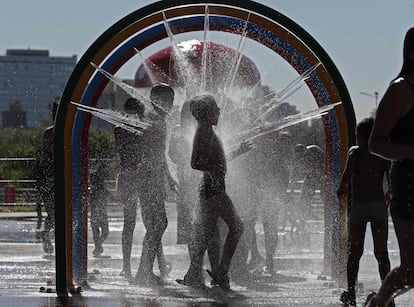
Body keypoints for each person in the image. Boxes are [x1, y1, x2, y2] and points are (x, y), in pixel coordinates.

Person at [179, 94, 250, 291]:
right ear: (205, 113)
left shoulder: (207, 131)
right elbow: (195, 162)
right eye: (215, 109)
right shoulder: (203, 131)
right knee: (237, 227)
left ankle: (193, 274)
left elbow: (217, 159)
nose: (219, 111)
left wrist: (238, 151)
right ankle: (221, 271)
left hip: (211, 188)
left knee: (207, 233)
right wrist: (212, 170)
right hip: (213, 189)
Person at [366, 27, 414, 307]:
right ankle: (380, 302)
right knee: (411, 271)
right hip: (408, 187)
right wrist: (410, 151)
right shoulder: (401, 90)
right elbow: (375, 144)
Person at [115, 97, 172, 282]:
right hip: (140, 176)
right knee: (153, 224)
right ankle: (156, 264)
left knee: (132, 223)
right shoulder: (143, 130)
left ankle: (127, 267)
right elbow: (149, 152)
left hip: (126, 176)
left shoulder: (119, 129)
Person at [336, 118, 391, 306]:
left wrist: (341, 189)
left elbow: (346, 176)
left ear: (360, 136)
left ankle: (351, 293)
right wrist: (389, 194)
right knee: (382, 253)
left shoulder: (355, 152)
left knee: (355, 253)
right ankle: (388, 296)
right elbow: (390, 177)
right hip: (378, 206)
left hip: (359, 207)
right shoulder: (382, 154)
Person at [134, 83, 177, 286]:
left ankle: (145, 270)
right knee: (158, 224)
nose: (171, 104)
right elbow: (150, 153)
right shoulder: (154, 120)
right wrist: (160, 176)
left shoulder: (158, 120)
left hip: (152, 176)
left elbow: (158, 154)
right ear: (157, 99)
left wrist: (168, 177)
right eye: (169, 99)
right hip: (149, 176)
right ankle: (143, 271)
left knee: (156, 224)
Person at [37, 101, 58, 254]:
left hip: (58, 176)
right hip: (49, 176)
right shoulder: (49, 133)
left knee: (58, 212)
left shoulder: (68, 132)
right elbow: (45, 157)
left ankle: (50, 235)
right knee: (52, 212)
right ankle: (47, 235)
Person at [89, 160, 110, 258]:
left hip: (96, 209)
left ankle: (98, 247)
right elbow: (106, 193)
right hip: (99, 209)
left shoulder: (95, 182)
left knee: (97, 231)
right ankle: (98, 247)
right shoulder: (98, 182)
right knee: (104, 231)